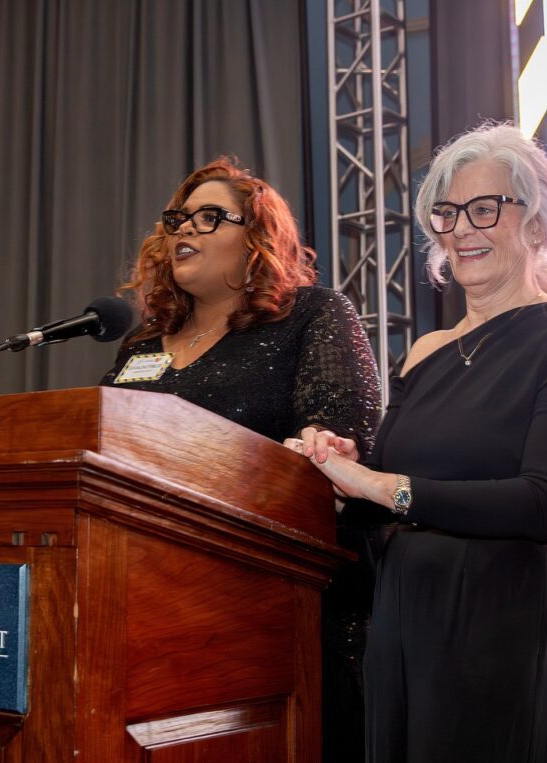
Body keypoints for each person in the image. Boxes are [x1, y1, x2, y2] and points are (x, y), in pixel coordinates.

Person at [289, 123, 547, 762]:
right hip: (404, 610)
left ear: (538, 225)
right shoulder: (425, 352)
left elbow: (544, 505)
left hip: (503, 613)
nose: (462, 228)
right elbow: (377, 501)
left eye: (485, 207)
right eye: (447, 212)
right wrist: (335, 468)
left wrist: (381, 486)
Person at [100, 157, 381, 761]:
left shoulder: (311, 315)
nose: (186, 231)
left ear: (256, 240)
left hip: (273, 607)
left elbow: (335, 434)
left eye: (210, 217)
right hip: (138, 594)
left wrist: (320, 443)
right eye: (179, 218)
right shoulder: (141, 344)